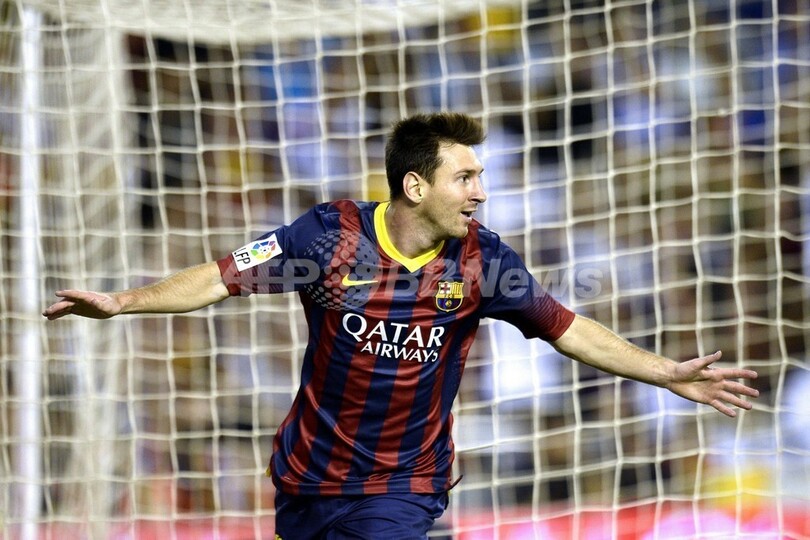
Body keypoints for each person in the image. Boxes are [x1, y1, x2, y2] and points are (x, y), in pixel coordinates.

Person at [43, 112, 759, 539]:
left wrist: (667, 373)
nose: (480, 192)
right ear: (415, 185)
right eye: (465, 178)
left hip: (402, 485)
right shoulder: (327, 238)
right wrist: (123, 302)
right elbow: (221, 275)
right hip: (307, 478)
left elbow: (566, 326)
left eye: (480, 177)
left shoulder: (483, 262)